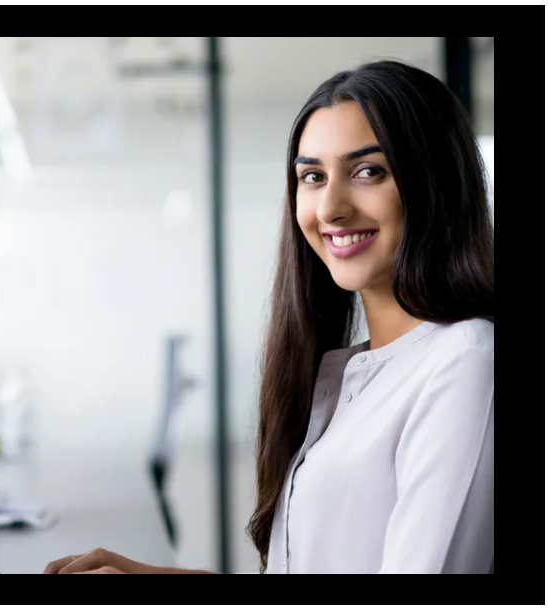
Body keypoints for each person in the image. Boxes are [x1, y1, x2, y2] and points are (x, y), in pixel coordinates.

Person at [44, 59, 495, 575]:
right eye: (312, 176)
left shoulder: (466, 361)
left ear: (436, 184)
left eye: (369, 171)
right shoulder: (350, 373)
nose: (330, 208)